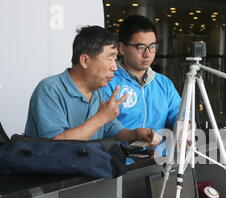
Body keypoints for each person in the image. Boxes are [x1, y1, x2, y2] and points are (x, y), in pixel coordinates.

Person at [25, 25, 161, 146]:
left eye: (115, 59)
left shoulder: (97, 92)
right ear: (84, 60)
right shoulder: (50, 89)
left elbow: (114, 132)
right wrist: (100, 118)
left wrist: (136, 134)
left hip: (91, 173)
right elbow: (56, 146)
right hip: (52, 174)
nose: (114, 67)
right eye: (110, 58)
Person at [101, 15, 181, 134]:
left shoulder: (164, 83)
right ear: (122, 48)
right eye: (141, 47)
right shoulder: (107, 81)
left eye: (152, 47)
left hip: (158, 151)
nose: (147, 54)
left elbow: (179, 112)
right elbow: (102, 127)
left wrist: (185, 124)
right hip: (119, 151)